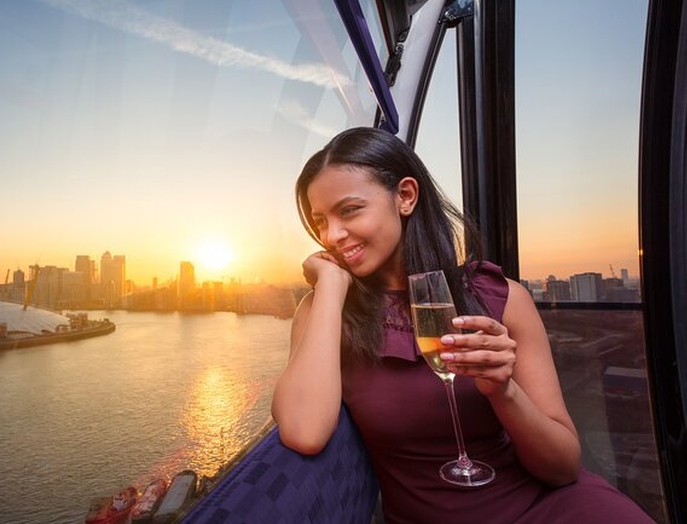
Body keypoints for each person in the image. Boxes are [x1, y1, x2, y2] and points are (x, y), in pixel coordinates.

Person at [271, 127, 655, 524]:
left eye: (349, 210)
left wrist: (503, 390)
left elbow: (562, 467)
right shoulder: (325, 313)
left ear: (405, 196)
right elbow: (304, 431)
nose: (331, 235)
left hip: (548, 508)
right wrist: (332, 286)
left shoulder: (503, 298)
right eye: (320, 220)